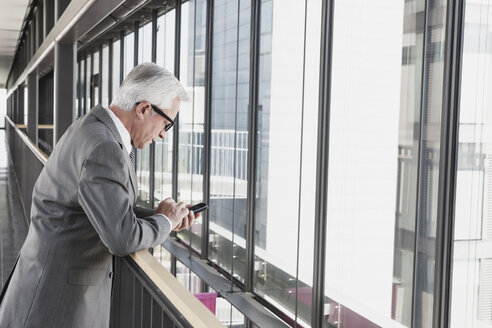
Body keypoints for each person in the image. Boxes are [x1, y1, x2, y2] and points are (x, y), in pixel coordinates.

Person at [0, 63, 196, 327]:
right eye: (167, 123)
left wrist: (163, 216)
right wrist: (166, 223)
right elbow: (122, 238)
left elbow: (96, 203)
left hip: (43, 284)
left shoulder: (91, 127)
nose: (162, 134)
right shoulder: (105, 147)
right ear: (144, 109)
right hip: (56, 304)